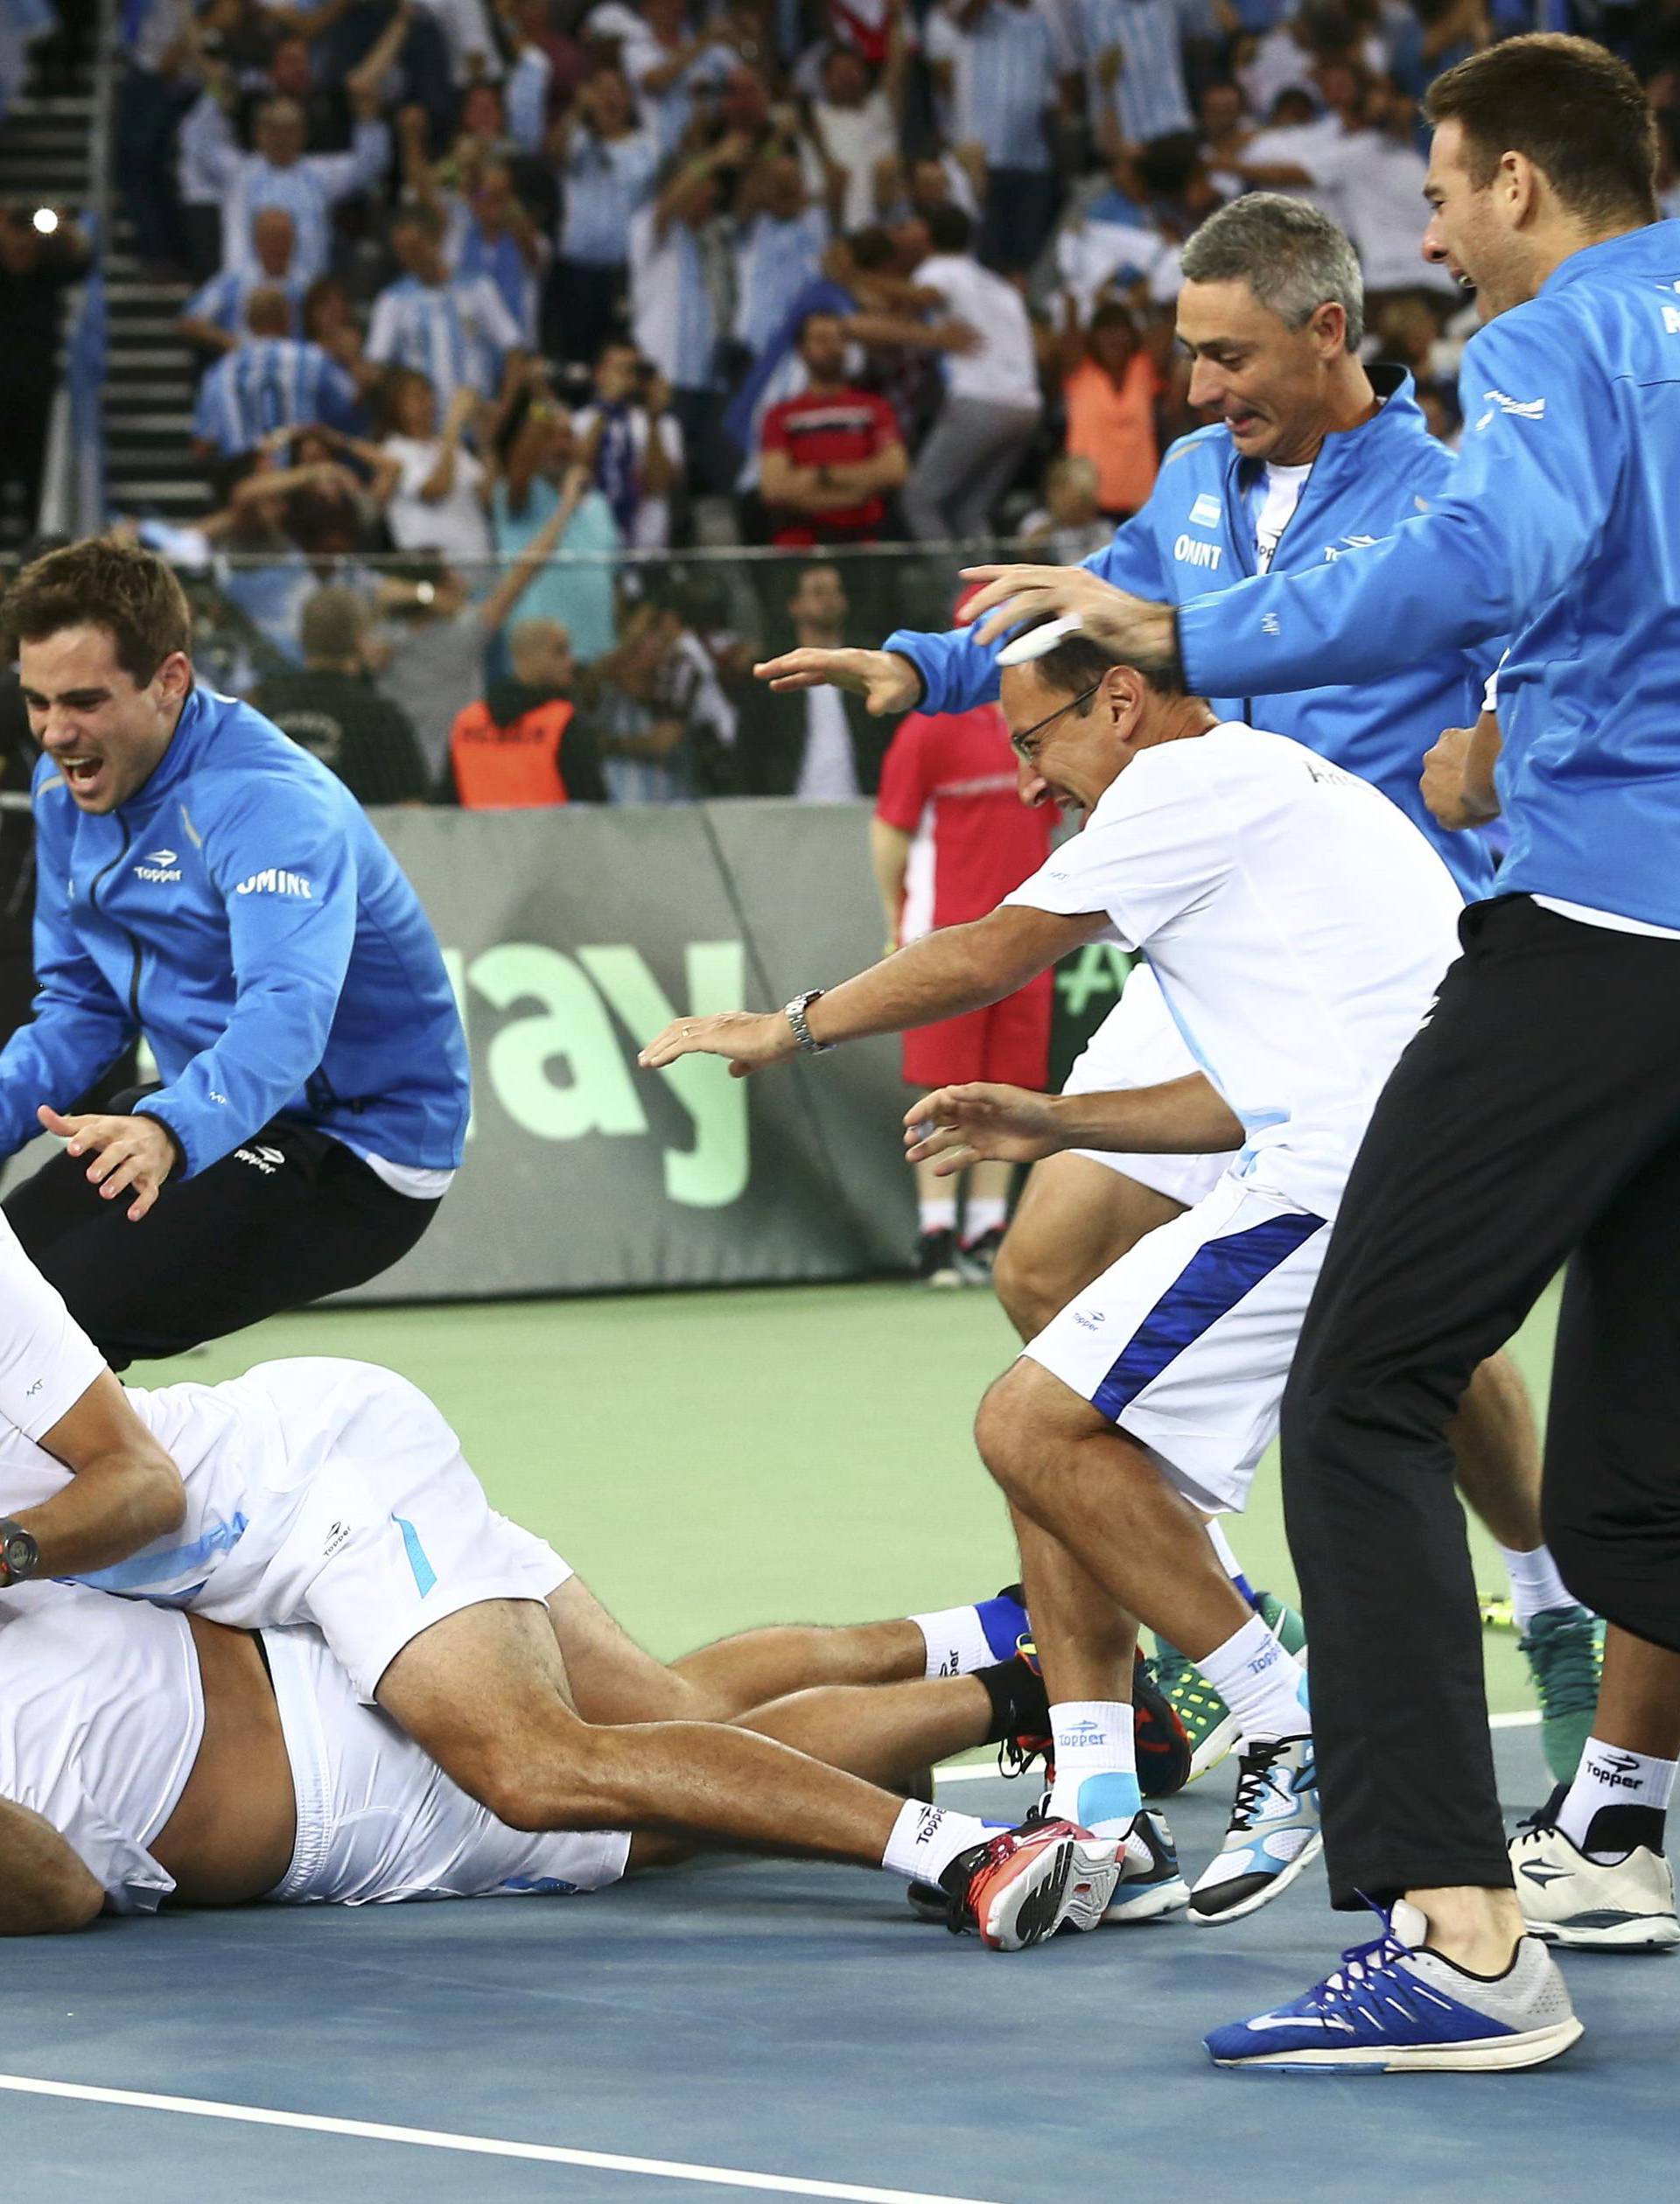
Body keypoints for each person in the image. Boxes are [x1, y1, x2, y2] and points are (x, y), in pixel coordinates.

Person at [974, 33, 1680, 2071]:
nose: (1434, 227)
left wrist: (1184, 637)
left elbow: (1482, 563)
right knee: (1634, 1497)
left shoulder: (1553, 340)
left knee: (1363, 1385)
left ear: (1523, 191)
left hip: (1599, 931)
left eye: (1445, 191)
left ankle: (1455, 1936)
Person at [751, 189, 1596, 1795]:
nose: (1199, 391)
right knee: (1046, 1253)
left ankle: (1553, 1602)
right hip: (1202, 934)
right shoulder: (1198, 481)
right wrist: (920, 668)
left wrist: (1485, 784)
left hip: (1367, 957)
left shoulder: (1438, 493)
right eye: (1191, 356)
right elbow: (1089, 619)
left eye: (1229, 356)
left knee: (1419, 1319)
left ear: (1330, 329)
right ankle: (1200, 1614)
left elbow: (1511, 681)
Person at [640, 625, 1479, 1939]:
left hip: (1345, 1182)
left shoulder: (1179, 785)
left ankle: (1283, 1715)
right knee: (1050, 1426)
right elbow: (1251, 1089)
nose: (1029, 783)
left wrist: (789, 1023)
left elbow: (987, 949)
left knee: (1027, 1419)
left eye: (1034, 741)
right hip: (1355, 1157)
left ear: (1125, 701)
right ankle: (1101, 1807)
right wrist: (1060, 1119)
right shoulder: (1268, 791)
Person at [0, 1228, 1126, 1952]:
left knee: (536, 1766)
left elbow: (140, 1486)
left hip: (310, 1493)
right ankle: (1012, 1653)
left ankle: (964, 1851)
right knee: (680, 1723)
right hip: (263, 1584)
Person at [0, 539, 469, 1367]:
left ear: (170, 680)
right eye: (36, 701)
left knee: (56, 1325)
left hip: (355, 1145)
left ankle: (124, 1488)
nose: (56, 733)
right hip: (205, 1107)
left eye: (83, 700)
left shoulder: (267, 803)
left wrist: (171, 1132)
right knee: (12, 1291)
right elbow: (81, 1009)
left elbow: (287, 1019)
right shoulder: (63, 788)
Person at [871, 607, 1054, 1285]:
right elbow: (891, 827)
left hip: (1028, 934)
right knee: (942, 1084)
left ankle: (986, 1229)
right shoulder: (928, 730)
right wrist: (896, 914)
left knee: (1008, 1086)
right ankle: (936, 1232)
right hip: (945, 935)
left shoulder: (1045, 719)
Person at [901, 205, 1041, 542]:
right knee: (969, 511)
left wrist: (857, 280)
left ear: (926, 236)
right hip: (1026, 405)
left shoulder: (939, 270)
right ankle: (988, 594)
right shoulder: (996, 282)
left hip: (980, 400)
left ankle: (954, 591)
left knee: (918, 500)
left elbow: (924, 296)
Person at [178, 83, 393, 283]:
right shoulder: (238, 173)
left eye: (290, 129)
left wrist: (368, 120)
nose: (281, 137)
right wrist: (214, 93)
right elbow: (200, 144)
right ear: (259, 134)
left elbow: (370, 163)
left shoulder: (321, 175)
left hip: (306, 288)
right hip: (249, 290)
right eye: (273, 129)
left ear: (303, 135)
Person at [252, 585, 432, 806]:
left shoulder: (265, 714)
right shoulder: (381, 718)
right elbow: (411, 812)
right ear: (361, 641)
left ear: (301, 638)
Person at [735, 562, 888, 797]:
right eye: (818, 592)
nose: (828, 599)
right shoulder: (774, 670)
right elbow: (750, 751)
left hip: (865, 802)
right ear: (795, 605)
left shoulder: (869, 664)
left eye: (834, 591)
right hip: (789, 807)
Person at [757, 309, 907, 548]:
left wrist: (819, 476)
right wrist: (857, 486)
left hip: (866, 541)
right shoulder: (780, 415)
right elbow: (775, 488)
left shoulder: (874, 407)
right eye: (821, 339)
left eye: (840, 339)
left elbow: (894, 470)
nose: (833, 347)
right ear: (802, 350)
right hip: (799, 542)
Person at [367, 201, 526, 408]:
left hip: (472, 425)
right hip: (420, 431)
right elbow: (376, 362)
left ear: (436, 238)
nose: (409, 258)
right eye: (401, 251)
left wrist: (503, 410)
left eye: (415, 248)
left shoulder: (478, 287)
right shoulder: (392, 300)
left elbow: (513, 350)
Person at [0, 206, 91, 549]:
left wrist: (62, 227)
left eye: (27, 233)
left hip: (36, 392)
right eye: (14, 232)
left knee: (35, 481)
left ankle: (31, 553)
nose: (19, 242)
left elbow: (84, 261)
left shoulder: (47, 273)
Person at [444, 616, 607, 806]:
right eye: (560, 652)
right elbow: (594, 808)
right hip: (549, 835)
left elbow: (446, 803)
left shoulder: (469, 722)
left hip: (477, 835)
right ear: (526, 655)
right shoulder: (563, 724)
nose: (571, 661)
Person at [191, 288, 364, 459]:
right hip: (303, 477)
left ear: (249, 322)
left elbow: (203, 445)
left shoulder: (220, 371)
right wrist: (353, 359)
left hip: (244, 480)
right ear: (287, 319)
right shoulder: (314, 358)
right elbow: (352, 402)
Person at [570, 339, 684, 552]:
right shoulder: (580, 421)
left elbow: (659, 485)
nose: (626, 378)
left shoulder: (663, 424)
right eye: (618, 370)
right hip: (592, 549)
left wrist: (653, 420)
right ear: (599, 374)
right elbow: (578, 476)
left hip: (647, 549)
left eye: (633, 370)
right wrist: (605, 408)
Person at [377, 370, 494, 563]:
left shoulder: (449, 446)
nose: (426, 401)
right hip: (434, 569)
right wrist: (453, 423)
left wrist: (484, 437)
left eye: (428, 393)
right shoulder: (393, 450)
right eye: (416, 396)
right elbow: (436, 489)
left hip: (476, 560)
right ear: (395, 405)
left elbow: (486, 495)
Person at [177, 208, 308, 358]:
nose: (279, 245)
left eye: (284, 238)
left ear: (294, 240)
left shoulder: (307, 285)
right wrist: (232, 344)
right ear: (257, 240)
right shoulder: (232, 282)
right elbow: (189, 322)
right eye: (272, 238)